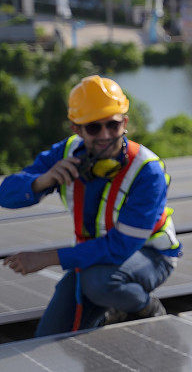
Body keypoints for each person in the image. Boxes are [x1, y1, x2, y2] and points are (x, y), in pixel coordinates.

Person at [0, 75, 181, 336]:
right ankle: (112, 309)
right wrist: (43, 180)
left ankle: (145, 307)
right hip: (93, 258)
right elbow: (5, 194)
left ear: (125, 123)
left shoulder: (146, 170)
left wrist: (48, 258)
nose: (106, 135)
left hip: (149, 255)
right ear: (77, 128)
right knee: (49, 335)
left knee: (98, 283)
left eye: (113, 125)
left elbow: (120, 247)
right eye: (94, 128)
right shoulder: (65, 153)